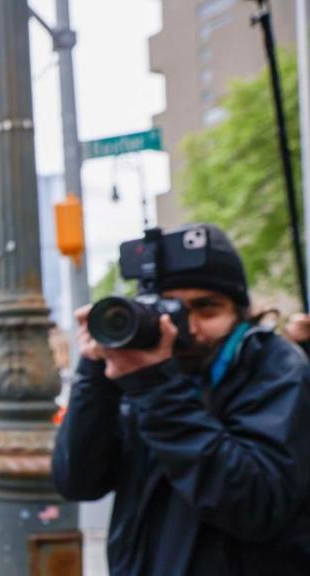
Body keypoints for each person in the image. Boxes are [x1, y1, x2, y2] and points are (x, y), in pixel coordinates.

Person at [53, 224, 310, 575]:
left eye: (207, 309)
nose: (189, 328)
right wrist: (95, 374)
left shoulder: (274, 366)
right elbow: (77, 481)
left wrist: (157, 391)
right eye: (172, 310)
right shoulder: (136, 371)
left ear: (239, 312)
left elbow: (256, 505)